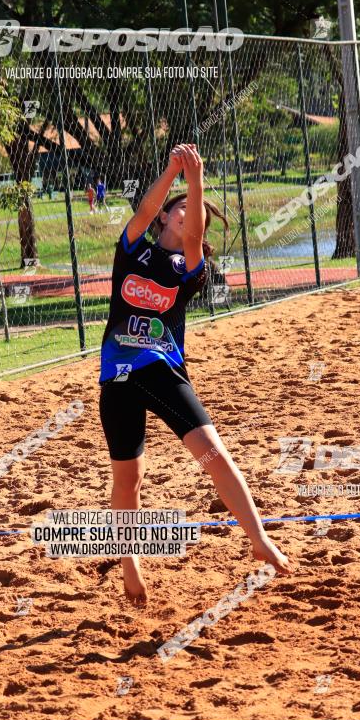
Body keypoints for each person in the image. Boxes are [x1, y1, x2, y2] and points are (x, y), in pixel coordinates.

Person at [98, 143, 291, 606]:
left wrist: (196, 180)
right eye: (182, 208)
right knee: (129, 481)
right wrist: (172, 172)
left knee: (213, 454)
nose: (191, 212)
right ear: (165, 216)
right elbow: (146, 208)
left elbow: (192, 236)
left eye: (198, 210)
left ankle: (258, 538)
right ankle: (129, 565)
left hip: (162, 370)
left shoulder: (189, 269)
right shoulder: (132, 251)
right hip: (117, 378)